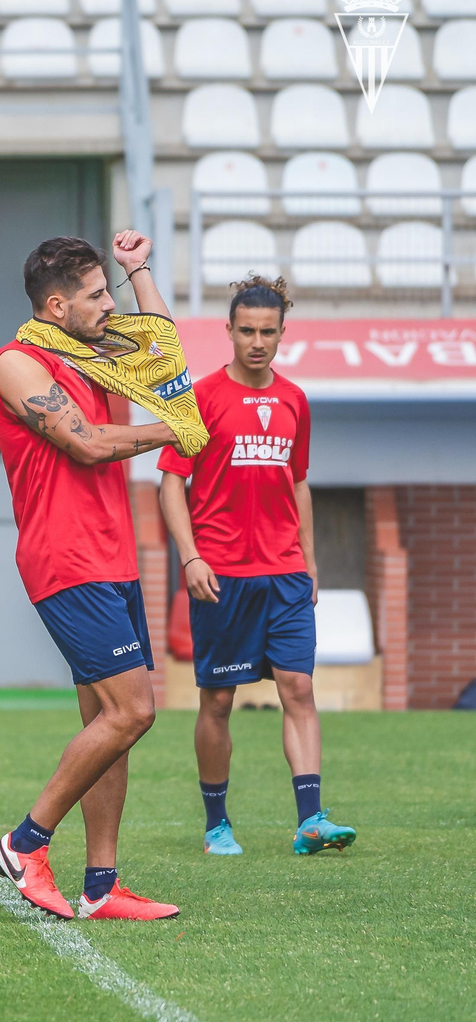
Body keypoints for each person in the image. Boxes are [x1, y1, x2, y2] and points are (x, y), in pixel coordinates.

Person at [0, 232, 182, 920]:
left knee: (108, 722)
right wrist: (177, 429)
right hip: (67, 558)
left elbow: (163, 353)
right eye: (99, 295)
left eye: (111, 291)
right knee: (135, 711)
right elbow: (88, 444)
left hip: (112, 555)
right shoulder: (19, 362)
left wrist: (139, 270)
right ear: (58, 304)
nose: (110, 305)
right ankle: (25, 843)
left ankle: (101, 887)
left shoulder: (94, 349)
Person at [158, 276, 356, 857]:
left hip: (286, 574)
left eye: (268, 332)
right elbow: (171, 484)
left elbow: (298, 484)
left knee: (299, 686)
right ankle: (217, 823)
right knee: (219, 700)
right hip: (220, 575)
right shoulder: (200, 397)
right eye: (247, 330)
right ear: (229, 331)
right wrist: (190, 556)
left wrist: (310, 561)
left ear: (282, 333)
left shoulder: (295, 399)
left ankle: (311, 819)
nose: (257, 342)